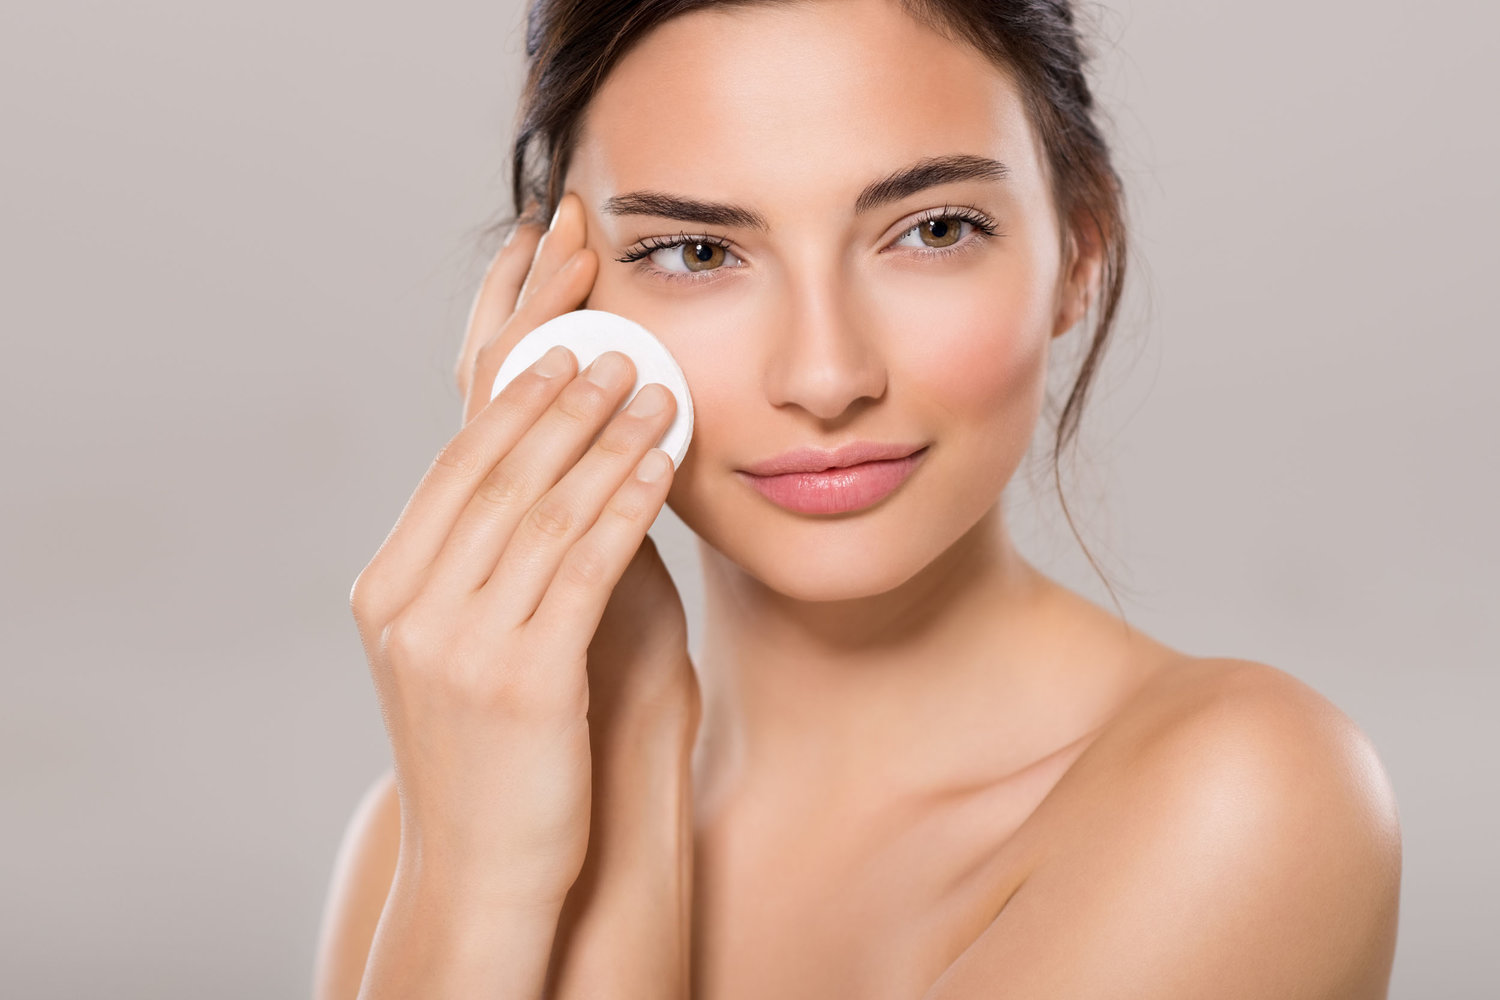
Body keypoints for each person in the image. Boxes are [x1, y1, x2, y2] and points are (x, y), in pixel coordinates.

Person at [313, 1, 1402, 996]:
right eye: (698, 250)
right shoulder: (434, 841)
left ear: (1080, 249)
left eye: (933, 230)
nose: (827, 376)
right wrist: (523, 837)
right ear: (556, 309)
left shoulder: (1245, 799)